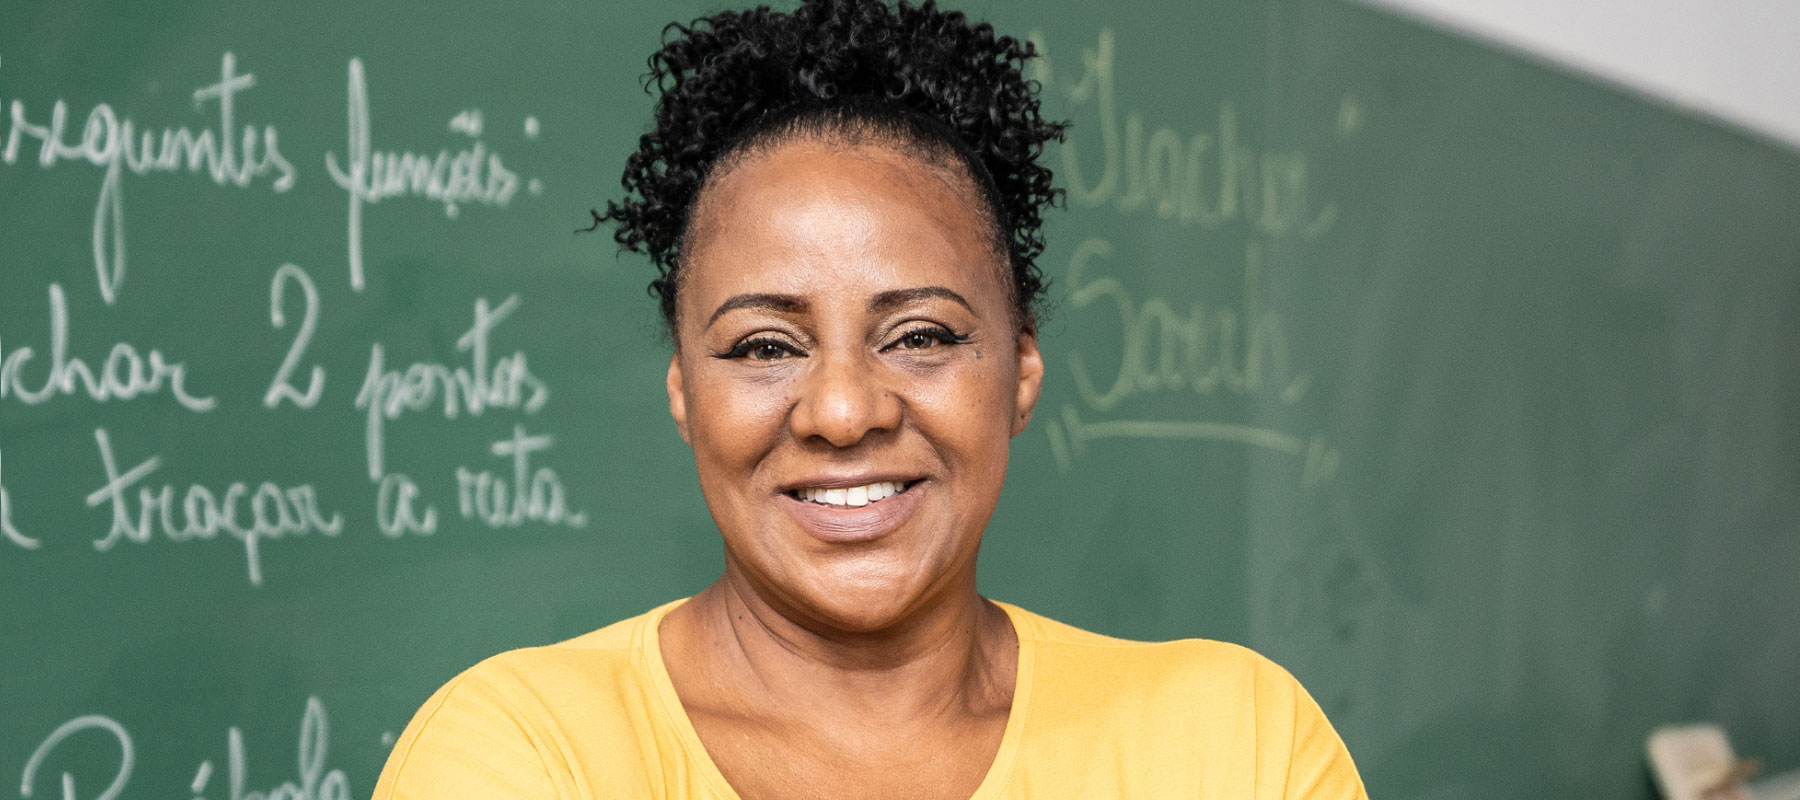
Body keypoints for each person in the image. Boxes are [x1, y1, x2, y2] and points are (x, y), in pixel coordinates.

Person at [372, 1, 1368, 797]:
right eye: (765, 345)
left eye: (921, 335)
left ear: (1021, 369)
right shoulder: (525, 756)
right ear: (684, 391)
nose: (843, 411)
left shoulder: (1237, 747)